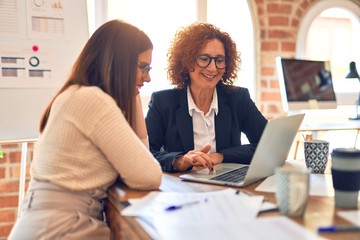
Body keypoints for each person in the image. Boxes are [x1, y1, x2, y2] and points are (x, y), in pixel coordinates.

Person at [8, 20, 162, 240]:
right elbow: (148, 175)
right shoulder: (93, 101)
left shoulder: (77, 94)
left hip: (50, 224)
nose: (148, 77)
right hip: (63, 228)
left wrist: (134, 94)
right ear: (119, 62)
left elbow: (141, 160)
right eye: (143, 67)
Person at [145, 22, 268, 173]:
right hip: (182, 188)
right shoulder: (163, 102)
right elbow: (146, 153)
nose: (212, 68)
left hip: (227, 184)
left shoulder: (238, 98)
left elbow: (268, 144)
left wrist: (221, 156)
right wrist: (179, 161)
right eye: (204, 59)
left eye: (219, 60)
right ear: (187, 60)